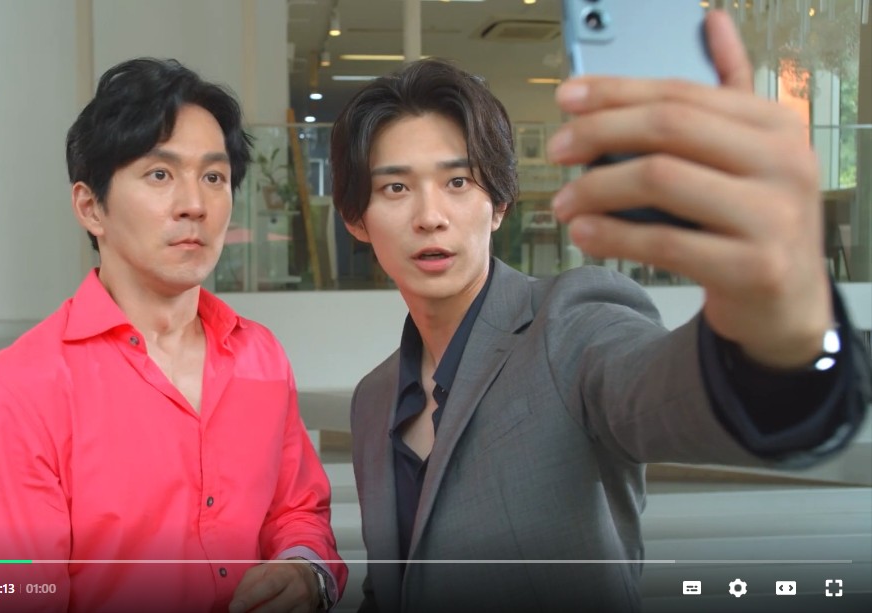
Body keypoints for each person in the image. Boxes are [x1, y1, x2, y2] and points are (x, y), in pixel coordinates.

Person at [330, 12, 870, 613]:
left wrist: (781, 333)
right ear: (357, 219)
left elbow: (670, 392)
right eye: (396, 188)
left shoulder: (569, 325)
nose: (430, 216)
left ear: (499, 204)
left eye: (458, 183)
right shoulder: (375, 398)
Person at [0, 58, 346, 613]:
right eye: (160, 174)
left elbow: (299, 511)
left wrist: (305, 571)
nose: (195, 205)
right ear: (91, 207)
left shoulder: (260, 356)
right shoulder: (13, 394)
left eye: (214, 177)